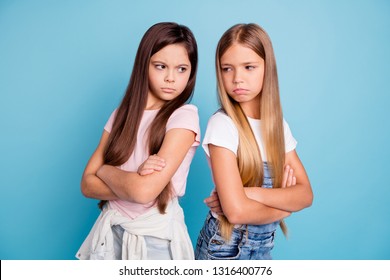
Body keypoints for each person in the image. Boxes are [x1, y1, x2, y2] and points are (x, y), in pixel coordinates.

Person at [75, 22, 200, 260]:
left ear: (191, 72)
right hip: (110, 233)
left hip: (156, 240)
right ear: (144, 65)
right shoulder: (122, 114)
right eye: (161, 66)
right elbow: (86, 185)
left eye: (182, 69)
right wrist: (132, 180)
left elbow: (144, 193)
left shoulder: (184, 116)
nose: (171, 78)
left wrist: (103, 170)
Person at [194, 23, 313, 260]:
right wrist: (284, 207)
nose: (237, 78)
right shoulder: (223, 125)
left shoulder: (277, 127)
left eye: (249, 67)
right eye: (227, 69)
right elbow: (236, 212)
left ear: (267, 68)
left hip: (263, 248)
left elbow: (305, 195)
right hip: (225, 249)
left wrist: (247, 192)